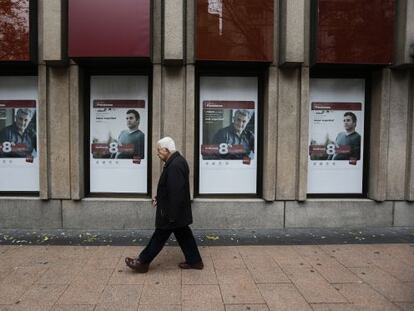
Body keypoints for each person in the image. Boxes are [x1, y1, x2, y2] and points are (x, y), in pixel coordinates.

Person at [125, 137, 203, 273]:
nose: (157, 153)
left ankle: (142, 262)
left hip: (171, 212)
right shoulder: (176, 162)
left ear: (166, 150)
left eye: (159, 150)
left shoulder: (175, 165)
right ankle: (195, 261)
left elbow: (176, 192)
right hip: (176, 211)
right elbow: (170, 188)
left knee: (159, 236)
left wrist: (171, 216)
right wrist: (159, 198)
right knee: (184, 234)